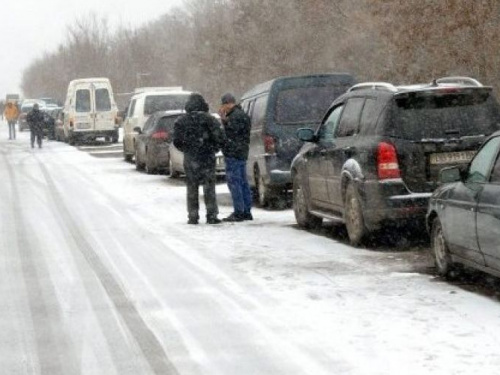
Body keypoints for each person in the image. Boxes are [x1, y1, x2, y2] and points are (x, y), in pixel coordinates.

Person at [173, 93, 224, 225]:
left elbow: (177, 141)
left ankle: (193, 216)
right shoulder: (211, 120)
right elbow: (219, 138)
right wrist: (213, 148)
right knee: (209, 187)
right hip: (207, 157)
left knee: (191, 187)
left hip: (190, 158)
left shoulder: (181, 121)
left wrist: (187, 149)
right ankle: (212, 214)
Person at [219, 93, 253, 222]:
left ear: (227, 104)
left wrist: (223, 120)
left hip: (233, 153)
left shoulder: (234, 117)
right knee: (243, 182)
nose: (223, 108)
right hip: (242, 153)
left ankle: (239, 211)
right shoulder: (242, 114)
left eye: (223, 105)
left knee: (235, 183)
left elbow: (231, 134)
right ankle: (247, 210)